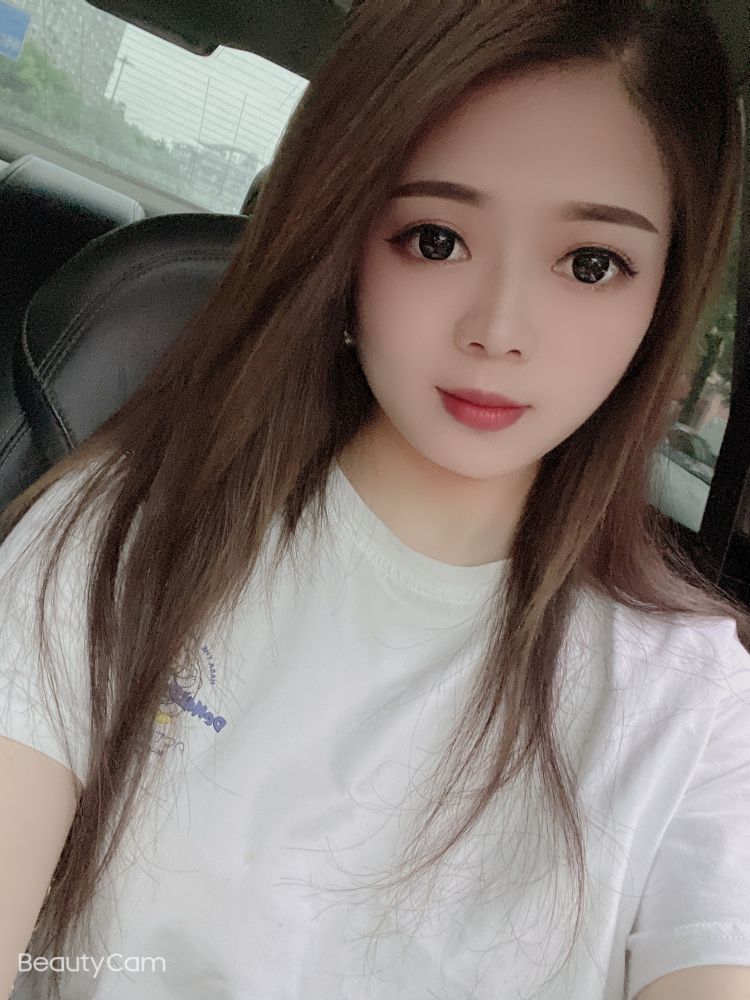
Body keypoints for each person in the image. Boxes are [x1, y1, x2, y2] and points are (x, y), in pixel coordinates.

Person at [1, 1, 749, 998]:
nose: (499, 328)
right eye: (435, 240)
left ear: (664, 296)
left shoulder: (695, 708)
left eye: (590, 263)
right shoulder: (123, 533)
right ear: (345, 239)